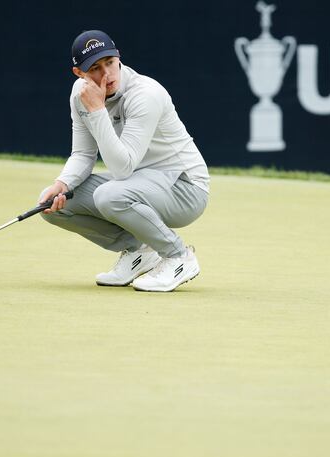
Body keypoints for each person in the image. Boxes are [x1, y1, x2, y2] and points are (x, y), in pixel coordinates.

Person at [38, 30, 210, 292]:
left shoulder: (145, 94)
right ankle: (139, 250)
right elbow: (84, 154)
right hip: (137, 183)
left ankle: (178, 257)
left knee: (110, 195)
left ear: (119, 58)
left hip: (186, 189)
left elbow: (122, 167)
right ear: (79, 74)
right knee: (54, 205)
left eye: (109, 62)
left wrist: (97, 111)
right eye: (95, 68)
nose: (106, 74)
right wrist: (62, 183)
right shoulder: (80, 95)